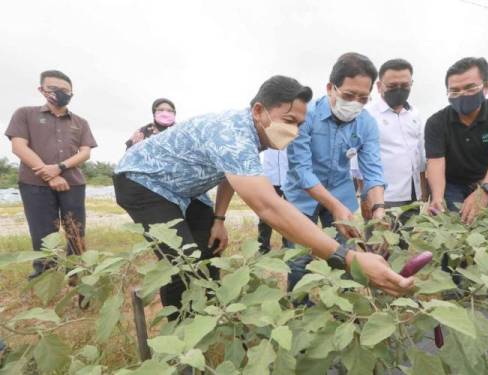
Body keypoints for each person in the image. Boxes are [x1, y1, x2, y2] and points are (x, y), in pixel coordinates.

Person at [113, 75, 413, 320]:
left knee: (209, 251)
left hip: (185, 189)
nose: (294, 131)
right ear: (259, 110)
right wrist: (347, 257)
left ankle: (212, 317)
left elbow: (228, 175)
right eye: (289, 120)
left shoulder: (253, 132)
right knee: (183, 260)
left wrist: (218, 219)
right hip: (143, 181)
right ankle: (181, 334)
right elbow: (270, 208)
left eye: (299, 124)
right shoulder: (232, 132)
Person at [284, 53, 387, 290]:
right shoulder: (305, 115)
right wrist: (334, 206)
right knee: (299, 260)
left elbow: (372, 170)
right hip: (301, 196)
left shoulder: (367, 123)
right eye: (349, 95)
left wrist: (379, 209)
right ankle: (301, 312)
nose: (355, 103)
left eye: (363, 98)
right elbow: (301, 169)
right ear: (331, 88)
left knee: (345, 257)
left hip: (341, 192)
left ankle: (343, 312)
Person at [5, 70, 97, 279]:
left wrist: (60, 167)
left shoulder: (80, 122)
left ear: (72, 93)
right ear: (42, 90)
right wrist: (50, 175)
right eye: (53, 89)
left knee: (76, 230)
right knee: (43, 234)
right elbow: (19, 147)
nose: (59, 93)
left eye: (65, 90)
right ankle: (45, 277)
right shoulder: (25, 114)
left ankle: (77, 275)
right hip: (34, 184)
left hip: (72, 183)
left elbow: (85, 152)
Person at [425, 57, 488, 224]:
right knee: (452, 225)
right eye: (454, 91)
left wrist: (485, 191)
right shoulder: (436, 122)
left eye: (470, 88)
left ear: (486, 86)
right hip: (453, 183)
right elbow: (436, 163)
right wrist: (438, 198)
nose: (462, 95)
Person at [365, 58, 427, 224]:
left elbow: (420, 156)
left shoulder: (415, 114)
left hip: (412, 195)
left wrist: (424, 192)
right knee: (379, 246)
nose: (399, 90)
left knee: (404, 245)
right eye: (392, 86)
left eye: (405, 86)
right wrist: (366, 198)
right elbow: (358, 162)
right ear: (379, 86)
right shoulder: (368, 115)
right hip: (384, 197)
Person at [257, 148, 288, 253]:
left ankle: (288, 246)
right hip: (269, 178)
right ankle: (263, 247)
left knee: (289, 214)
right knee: (266, 214)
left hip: (289, 178)